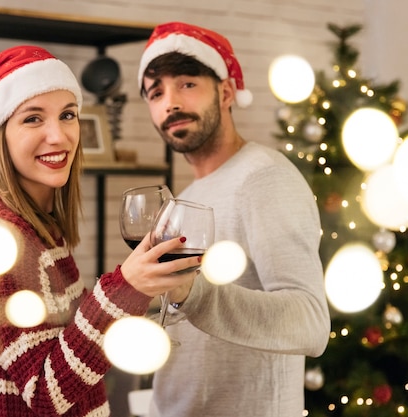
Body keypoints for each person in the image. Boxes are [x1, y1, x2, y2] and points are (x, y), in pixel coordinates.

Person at [0, 45, 200, 417]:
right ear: (0, 135)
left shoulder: (40, 227)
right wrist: (127, 286)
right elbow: (47, 394)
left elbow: (66, 347)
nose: (59, 136)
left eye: (68, 115)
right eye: (33, 119)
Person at [137, 22, 331, 416]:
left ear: (226, 92)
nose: (170, 101)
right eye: (156, 93)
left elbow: (311, 321)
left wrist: (193, 294)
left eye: (187, 84)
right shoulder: (184, 201)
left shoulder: (264, 178)